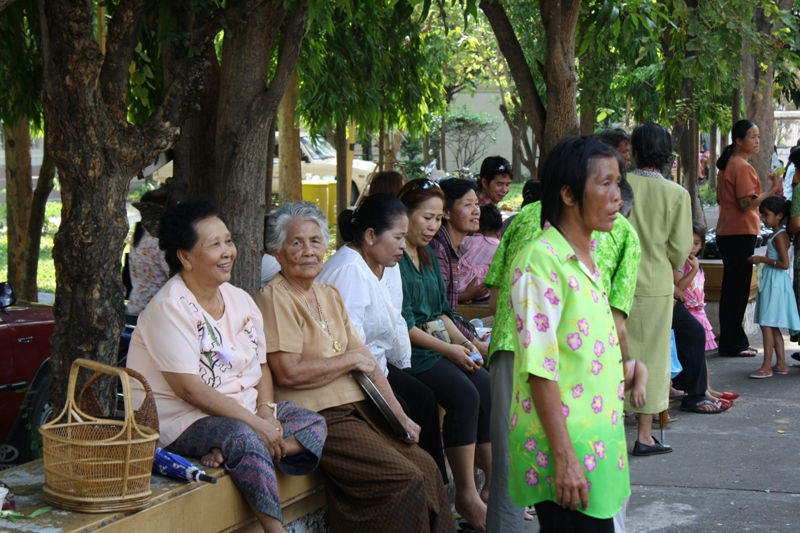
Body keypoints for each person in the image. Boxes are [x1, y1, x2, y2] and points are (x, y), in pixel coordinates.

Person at [126, 200, 327, 533]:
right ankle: (276, 530)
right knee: (242, 437)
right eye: (214, 244)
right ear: (185, 256)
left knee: (312, 421)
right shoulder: (170, 307)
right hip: (183, 420)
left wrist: (265, 411)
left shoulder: (239, 299)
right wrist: (255, 424)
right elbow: (188, 389)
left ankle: (239, 447)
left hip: (240, 412)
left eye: (229, 241)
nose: (227, 252)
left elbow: (261, 366)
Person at [256, 201, 454, 533]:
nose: (308, 251)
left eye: (316, 241)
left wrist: (401, 416)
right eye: (296, 242)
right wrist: (348, 361)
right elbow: (288, 372)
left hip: (359, 407)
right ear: (277, 251)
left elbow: (369, 364)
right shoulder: (275, 297)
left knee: (427, 466)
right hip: (319, 414)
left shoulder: (328, 293)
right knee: (403, 479)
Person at [483, 176, 640, 532]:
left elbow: (494, 294)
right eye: (605, 183)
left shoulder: (581, 246)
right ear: (569, 193)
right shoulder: (546, 255)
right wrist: (564, 456)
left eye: (618, 183)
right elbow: (614, 326)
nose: (616, 197)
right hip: (562, 423)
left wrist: (625, 370)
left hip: (585, 425)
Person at [317, 194, 448, 483]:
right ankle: (419, 482)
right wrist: (397, 409)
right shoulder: (349, 270)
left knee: (424, 398)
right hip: (348, 374)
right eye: (398, 237)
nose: (404, 245)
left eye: (404, 237)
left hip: (374, 364)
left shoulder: (383, 263)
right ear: (371, 235)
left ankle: (436, 487)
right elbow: (351, 347)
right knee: (406, 408)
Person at [398, 179, 492, 532]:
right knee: (464, 394)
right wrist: (451, 350)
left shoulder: (426, 254)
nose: (433, 226)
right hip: (413, 354)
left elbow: (441, 313)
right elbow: (406, 325)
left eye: (438, 219)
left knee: (485, 382)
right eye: (427, 218)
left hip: (437, 342)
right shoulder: (395, 259)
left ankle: (492, 484)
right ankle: (464, 494)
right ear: (404, 215)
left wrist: (467, 346)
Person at [626, 122, 695, 454]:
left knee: (613, 354)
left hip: (614, 284)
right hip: (655, 283)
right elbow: (680, 248)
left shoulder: (617, 185)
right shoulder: (676, 193)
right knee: (652, 357)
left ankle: (606, 428)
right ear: (666, 154)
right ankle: (644, 435)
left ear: (634, 151)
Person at [715, 119, 782, 357]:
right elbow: (746, 203)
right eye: (753, 137)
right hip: (738, 232)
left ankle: (736, 341)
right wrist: (772, 191)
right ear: (739, 141)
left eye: (758, 136)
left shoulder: (728, 165)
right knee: (737, 290)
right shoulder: (741, 166)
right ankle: (732, 343)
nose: (757, 141)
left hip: (730, 232)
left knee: (734, 289)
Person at [429, 178, 490, 354]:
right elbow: (439, 313)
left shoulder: (452, 246)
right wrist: (475, 345)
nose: (476, 211)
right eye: (467, 205)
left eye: (477, 204)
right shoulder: (437, 248)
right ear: (446, 212)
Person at [747, 195, 800, 378]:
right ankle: (781, 364)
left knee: (767, 324)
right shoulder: (779, 234)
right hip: (774, 280)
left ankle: (766, 366)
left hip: (775, 281)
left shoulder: (780, 236)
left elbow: (784, 263)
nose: (763, 218)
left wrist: (762, 259)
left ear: (779, 216)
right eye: (761, 214)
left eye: (766, 214)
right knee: (772, 325)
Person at [127, 190, 170, 315]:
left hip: (136, 302)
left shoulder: (138, 235)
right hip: (156, 307)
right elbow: (172, 274)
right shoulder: (160, 239)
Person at [457, 204, 503, 296]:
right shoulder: (499, 246)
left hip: (462, 281)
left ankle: (465, 296)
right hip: (483, 287)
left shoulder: (471, 239)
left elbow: (458, 245)